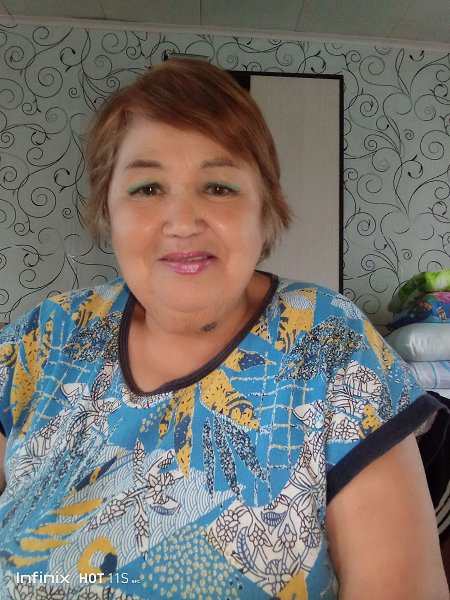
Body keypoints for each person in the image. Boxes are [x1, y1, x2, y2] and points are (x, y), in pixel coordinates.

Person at [0, 59, 448, 600]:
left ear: (265, 209)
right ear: (107, 210)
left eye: (217, 186)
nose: (182, 222)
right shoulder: (46, 337)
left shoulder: (331, 344)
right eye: (147, 188)